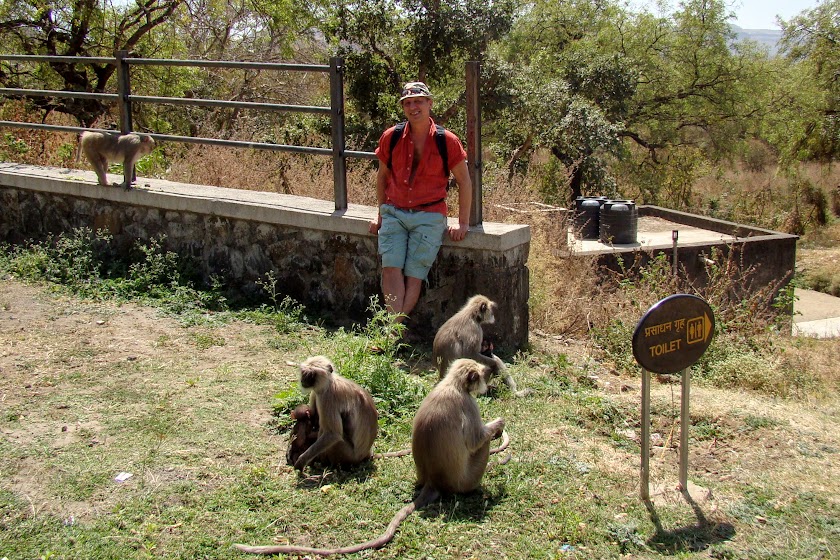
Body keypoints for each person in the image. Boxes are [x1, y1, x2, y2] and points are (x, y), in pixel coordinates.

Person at [368, 81, 473, 325]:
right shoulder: (391, 136)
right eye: (408, 103)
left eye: (418, 101)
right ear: (403, 107)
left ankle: (390, 332)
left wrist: (463, 222)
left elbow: (465, 182)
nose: (413, 107)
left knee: (414, 275)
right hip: (394, 211)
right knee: (390, 268)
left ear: (429, 103)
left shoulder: (446, 140)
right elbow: (382, 177)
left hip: (430, 215)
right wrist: (380, 214)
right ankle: (394, 332)